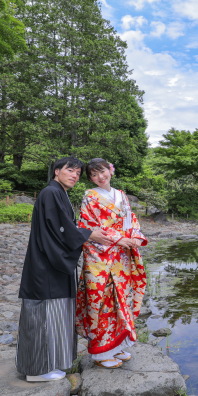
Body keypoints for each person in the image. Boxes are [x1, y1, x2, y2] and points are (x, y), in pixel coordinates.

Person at [16, 157, 112, 382]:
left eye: (78, 173)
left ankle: (46, 364)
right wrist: (88, 234)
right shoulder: (51, 193)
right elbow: (59, 230)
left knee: (51, 316)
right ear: (57, 171)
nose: (75, 175)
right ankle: (37, 370)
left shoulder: (58, 193)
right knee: (43, 317)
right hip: (45, 267)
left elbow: (63, 228)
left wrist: (82, 233)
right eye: (70, 170)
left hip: (50, 263)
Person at [76, 158, 147, 369]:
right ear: (90, 178)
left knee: (122, 299)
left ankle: (117, 345)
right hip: (101, 257)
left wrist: (134, 236)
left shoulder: (121, 195)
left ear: (110, 171)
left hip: (122, 256)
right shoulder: (90, 196)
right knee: (103, 301)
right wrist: (118, 239)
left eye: (102, 171)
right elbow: (87, 225)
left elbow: (131, 219)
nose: (100, 177)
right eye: (94, 175)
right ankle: (101, 352)